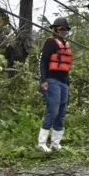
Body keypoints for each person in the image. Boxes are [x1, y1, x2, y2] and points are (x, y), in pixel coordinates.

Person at [37, 17, 73, 153]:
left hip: (64, 82)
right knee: (53, 111)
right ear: (55, 30)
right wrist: (43, 80)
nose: (63, 31)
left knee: (61, 113)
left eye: (65, 29)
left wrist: (68, 83)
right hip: (52, 80)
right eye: (61, 29)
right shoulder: (51, 43)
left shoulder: (66, 43)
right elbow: (42, 61)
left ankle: (55, 144)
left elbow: (66, 66)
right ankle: (41, 143)